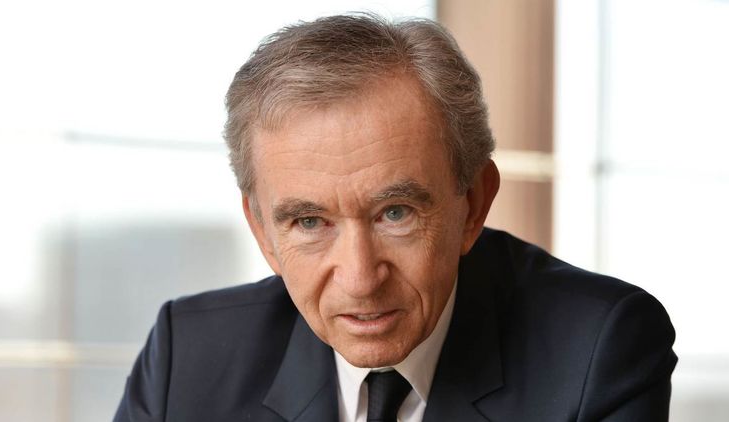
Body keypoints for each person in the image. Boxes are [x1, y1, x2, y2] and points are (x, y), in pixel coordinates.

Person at [114, 13, 677, 422]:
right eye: (309, 222)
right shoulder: (187, 357)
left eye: (395, 213)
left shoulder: (599, 350)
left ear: (473, 203)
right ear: (262, 230)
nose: (361, 279)